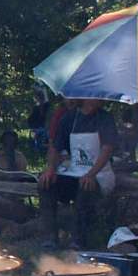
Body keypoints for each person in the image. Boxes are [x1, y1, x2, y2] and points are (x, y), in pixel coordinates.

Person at [38, 98, 118, 249]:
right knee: (46, 185)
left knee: (85, 188)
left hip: (99, 175)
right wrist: (50, 170)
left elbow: (107, 150)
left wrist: (91, 174)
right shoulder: (69, 118)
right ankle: (50, 238)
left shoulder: (105, 118)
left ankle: (78, 240)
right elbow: (55, 147)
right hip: (74, 172)